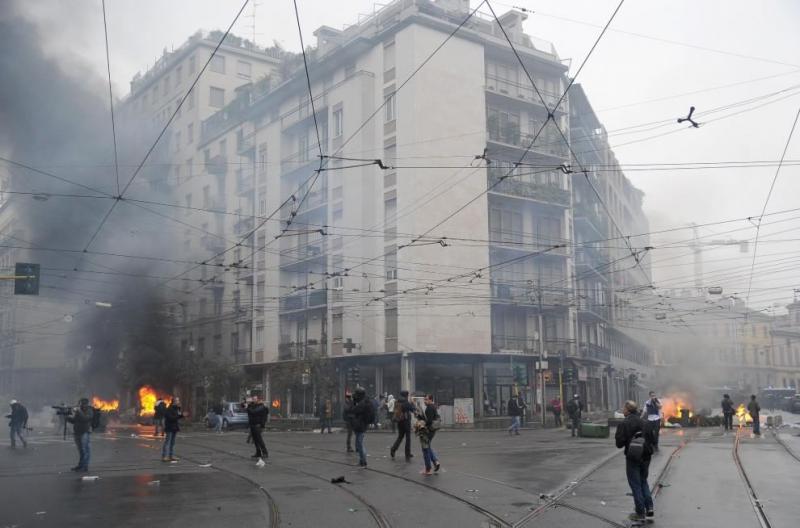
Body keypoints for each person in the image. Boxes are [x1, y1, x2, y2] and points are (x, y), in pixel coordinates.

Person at [615, 400, 656, 524]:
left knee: (635, 484)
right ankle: (649, 508)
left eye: (624, 408)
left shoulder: (624, 423)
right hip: (646, 456)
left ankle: (640, 513)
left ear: (627, 410)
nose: (623, 410)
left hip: (633, 457)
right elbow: (653, 439)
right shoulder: (645, 422)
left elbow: (619, 444)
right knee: (643, 481)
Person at [415, 394, 442, 475]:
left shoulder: (429, 408)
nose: (425, 401)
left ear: (430, 400)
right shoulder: (432, 407)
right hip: (432, 431)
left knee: (425, 449)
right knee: (428, 447)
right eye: (424, 399)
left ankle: (428, 469)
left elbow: (428, 421)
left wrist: (420, 422)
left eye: (426, 399)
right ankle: (435, 461)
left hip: (428, 431)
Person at [66, 398, 94, 472]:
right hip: (77, 432)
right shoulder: (79, 411)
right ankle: (80, 465)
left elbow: (85, 419)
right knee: (81, 451)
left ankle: (85, 467)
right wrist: (67, 417)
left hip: (84, 432)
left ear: (86, 404)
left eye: (81, 403)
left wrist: (79, 411)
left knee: (85, 450)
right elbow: (75, 421)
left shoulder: (90, 410)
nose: (80, 405)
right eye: (80, 404)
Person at [351, 388, 374, 467]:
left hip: (360, 425)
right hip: (363, 424)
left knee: (360, 444)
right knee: (359, 443)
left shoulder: (362, 403)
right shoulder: (366, 401)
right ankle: (362, 460)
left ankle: (363, 461)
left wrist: (354, 403)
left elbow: (354, 410)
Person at [390, 390, 415, 461]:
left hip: (399, 422)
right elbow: (413, 409)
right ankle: (407, 453)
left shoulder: (397, 402)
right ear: (406, 395)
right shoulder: (406, 403)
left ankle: (393, 449)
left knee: (400, 437)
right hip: (406, 422)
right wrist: (412, 403)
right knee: (408, 438)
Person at [161, 397, 184, 462]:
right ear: (174, 402)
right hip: (169, 427)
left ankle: (171, 456)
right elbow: (171, 418)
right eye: (177, 400)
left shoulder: (177, 409)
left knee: (172, 443)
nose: (178, 402)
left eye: (178, 400)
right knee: (167, 442)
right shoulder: (169, 409)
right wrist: (178, 416)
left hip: (174, 427)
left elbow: (178, 417)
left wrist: (182, 415)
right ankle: (164, 456)